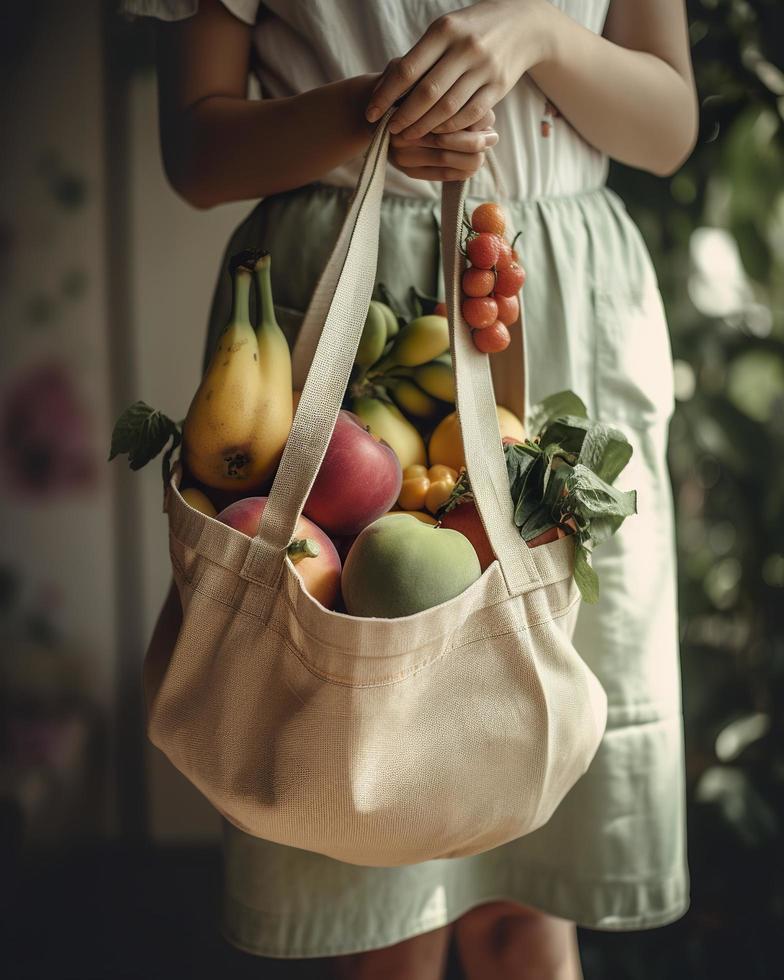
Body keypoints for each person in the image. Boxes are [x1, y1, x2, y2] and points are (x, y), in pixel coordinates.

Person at [127, 1, 697, 977]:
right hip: (342, 331)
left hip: (557, 308)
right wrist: (372, 109)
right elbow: (196, 150)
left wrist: (544, 36)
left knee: (533, 848)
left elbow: (667, 127)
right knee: (370, 842)